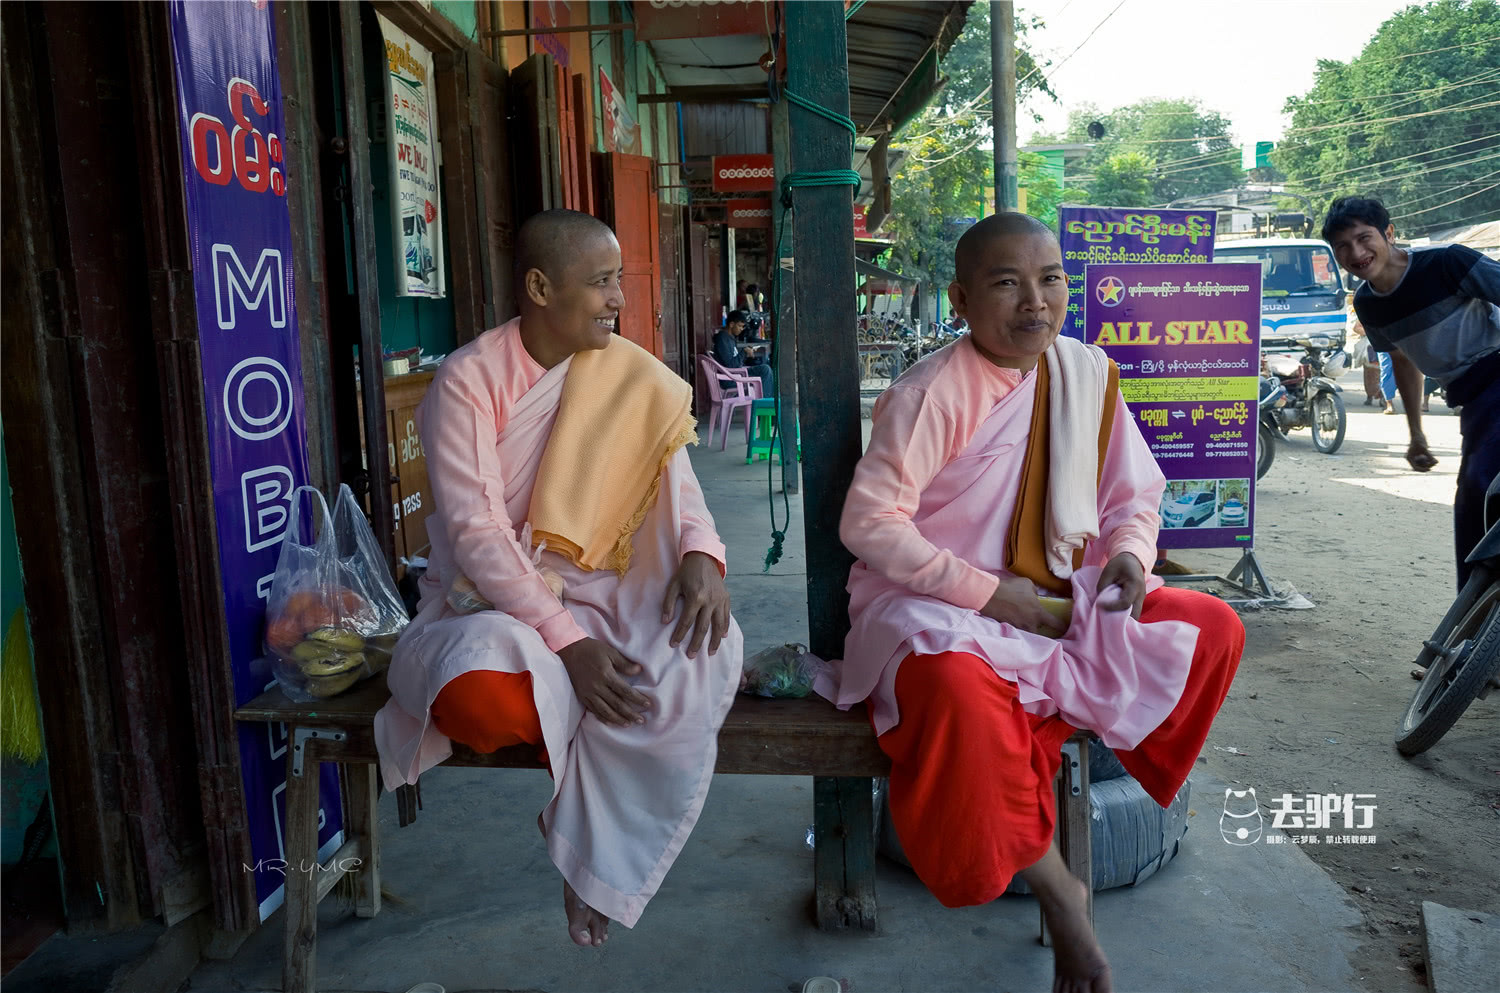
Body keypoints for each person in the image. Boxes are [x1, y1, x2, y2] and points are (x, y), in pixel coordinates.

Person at [817, 213, 1244, 993]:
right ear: (961, 296)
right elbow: (869, 522)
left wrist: (1128, 557)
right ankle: (1058, 889)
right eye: (1007, 282)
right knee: (953, 690)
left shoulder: (1085, 373)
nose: (1034, 303)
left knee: (1211, 623)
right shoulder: (932, 391)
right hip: (937, 603)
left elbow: (1134, 494)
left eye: (1050, 280)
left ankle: (1053, 728)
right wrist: (991, 596)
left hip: (1057, 600)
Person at [375, 209, 744, 948]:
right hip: (497, 597)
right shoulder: (468, 379)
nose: (619, 300)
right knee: (485, 697)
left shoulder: (623, 370)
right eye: (603, 282)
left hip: (606, 578)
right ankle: (577, 771)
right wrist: (569, 645)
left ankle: (592, 864)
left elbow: (675, 486)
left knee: (695, 654)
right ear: (540, 286)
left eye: (617, 281)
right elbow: (478, 531)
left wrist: (704, 556)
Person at [1325, 195, 1500, 590]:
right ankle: (1472, 620)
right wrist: (1416, 435)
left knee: (1480, 481)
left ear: (1389, 233)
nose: (1357, 252)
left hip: (1497, 373)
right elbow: (1403, 361)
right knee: (1470, 507)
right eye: (1343, 247)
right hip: (1471, 398)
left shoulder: (1448, 262)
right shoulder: (1369, 304)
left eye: (1364, 238)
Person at [712, 309, 775, 395]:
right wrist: (744, 352)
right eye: (740, 326)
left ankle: (767, 401)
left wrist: (746, 352)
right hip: (730, 378)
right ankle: (765, 404)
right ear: (731, 324)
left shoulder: (730, 338)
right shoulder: (722, 339)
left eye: (743, 327)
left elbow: (735, 362)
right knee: (765, 371)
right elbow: (731, 365)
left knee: (765, 368)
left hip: (736, 373)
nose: (741, 329)